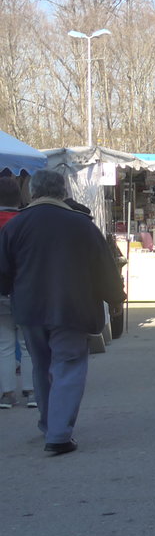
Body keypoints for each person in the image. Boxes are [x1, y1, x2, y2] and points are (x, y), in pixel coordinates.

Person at [0, 169, 125, 455]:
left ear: (31, 192)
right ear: (62, 192)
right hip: (72, 308)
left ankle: (48, 424)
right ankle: (58, 433)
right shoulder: (81, 225)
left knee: (42, 367)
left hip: (30, 310)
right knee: (68, 367)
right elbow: (104, 267)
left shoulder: (15, 226)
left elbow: (3, 272)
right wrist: (115, 298)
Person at [0, 175, 30, 410]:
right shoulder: (27, 222)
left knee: (4, 344)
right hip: (25, 289)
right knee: (28, 343)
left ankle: (7, 393)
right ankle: (31, 391)